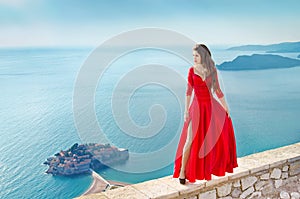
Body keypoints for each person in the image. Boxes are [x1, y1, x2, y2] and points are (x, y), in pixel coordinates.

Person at [173, 44, 238, 184]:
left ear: (203, 55)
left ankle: (208, 169)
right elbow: (188, 92)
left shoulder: (212, 70)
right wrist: (186, 111)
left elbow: (218, 91)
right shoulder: (191, 70)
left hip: (210, 107)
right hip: (196, 108)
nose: (194, 58)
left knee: (211, 140)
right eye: (193, 56)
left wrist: (226, 108)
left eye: (196, 55)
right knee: (189, 140)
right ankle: (182, 171)